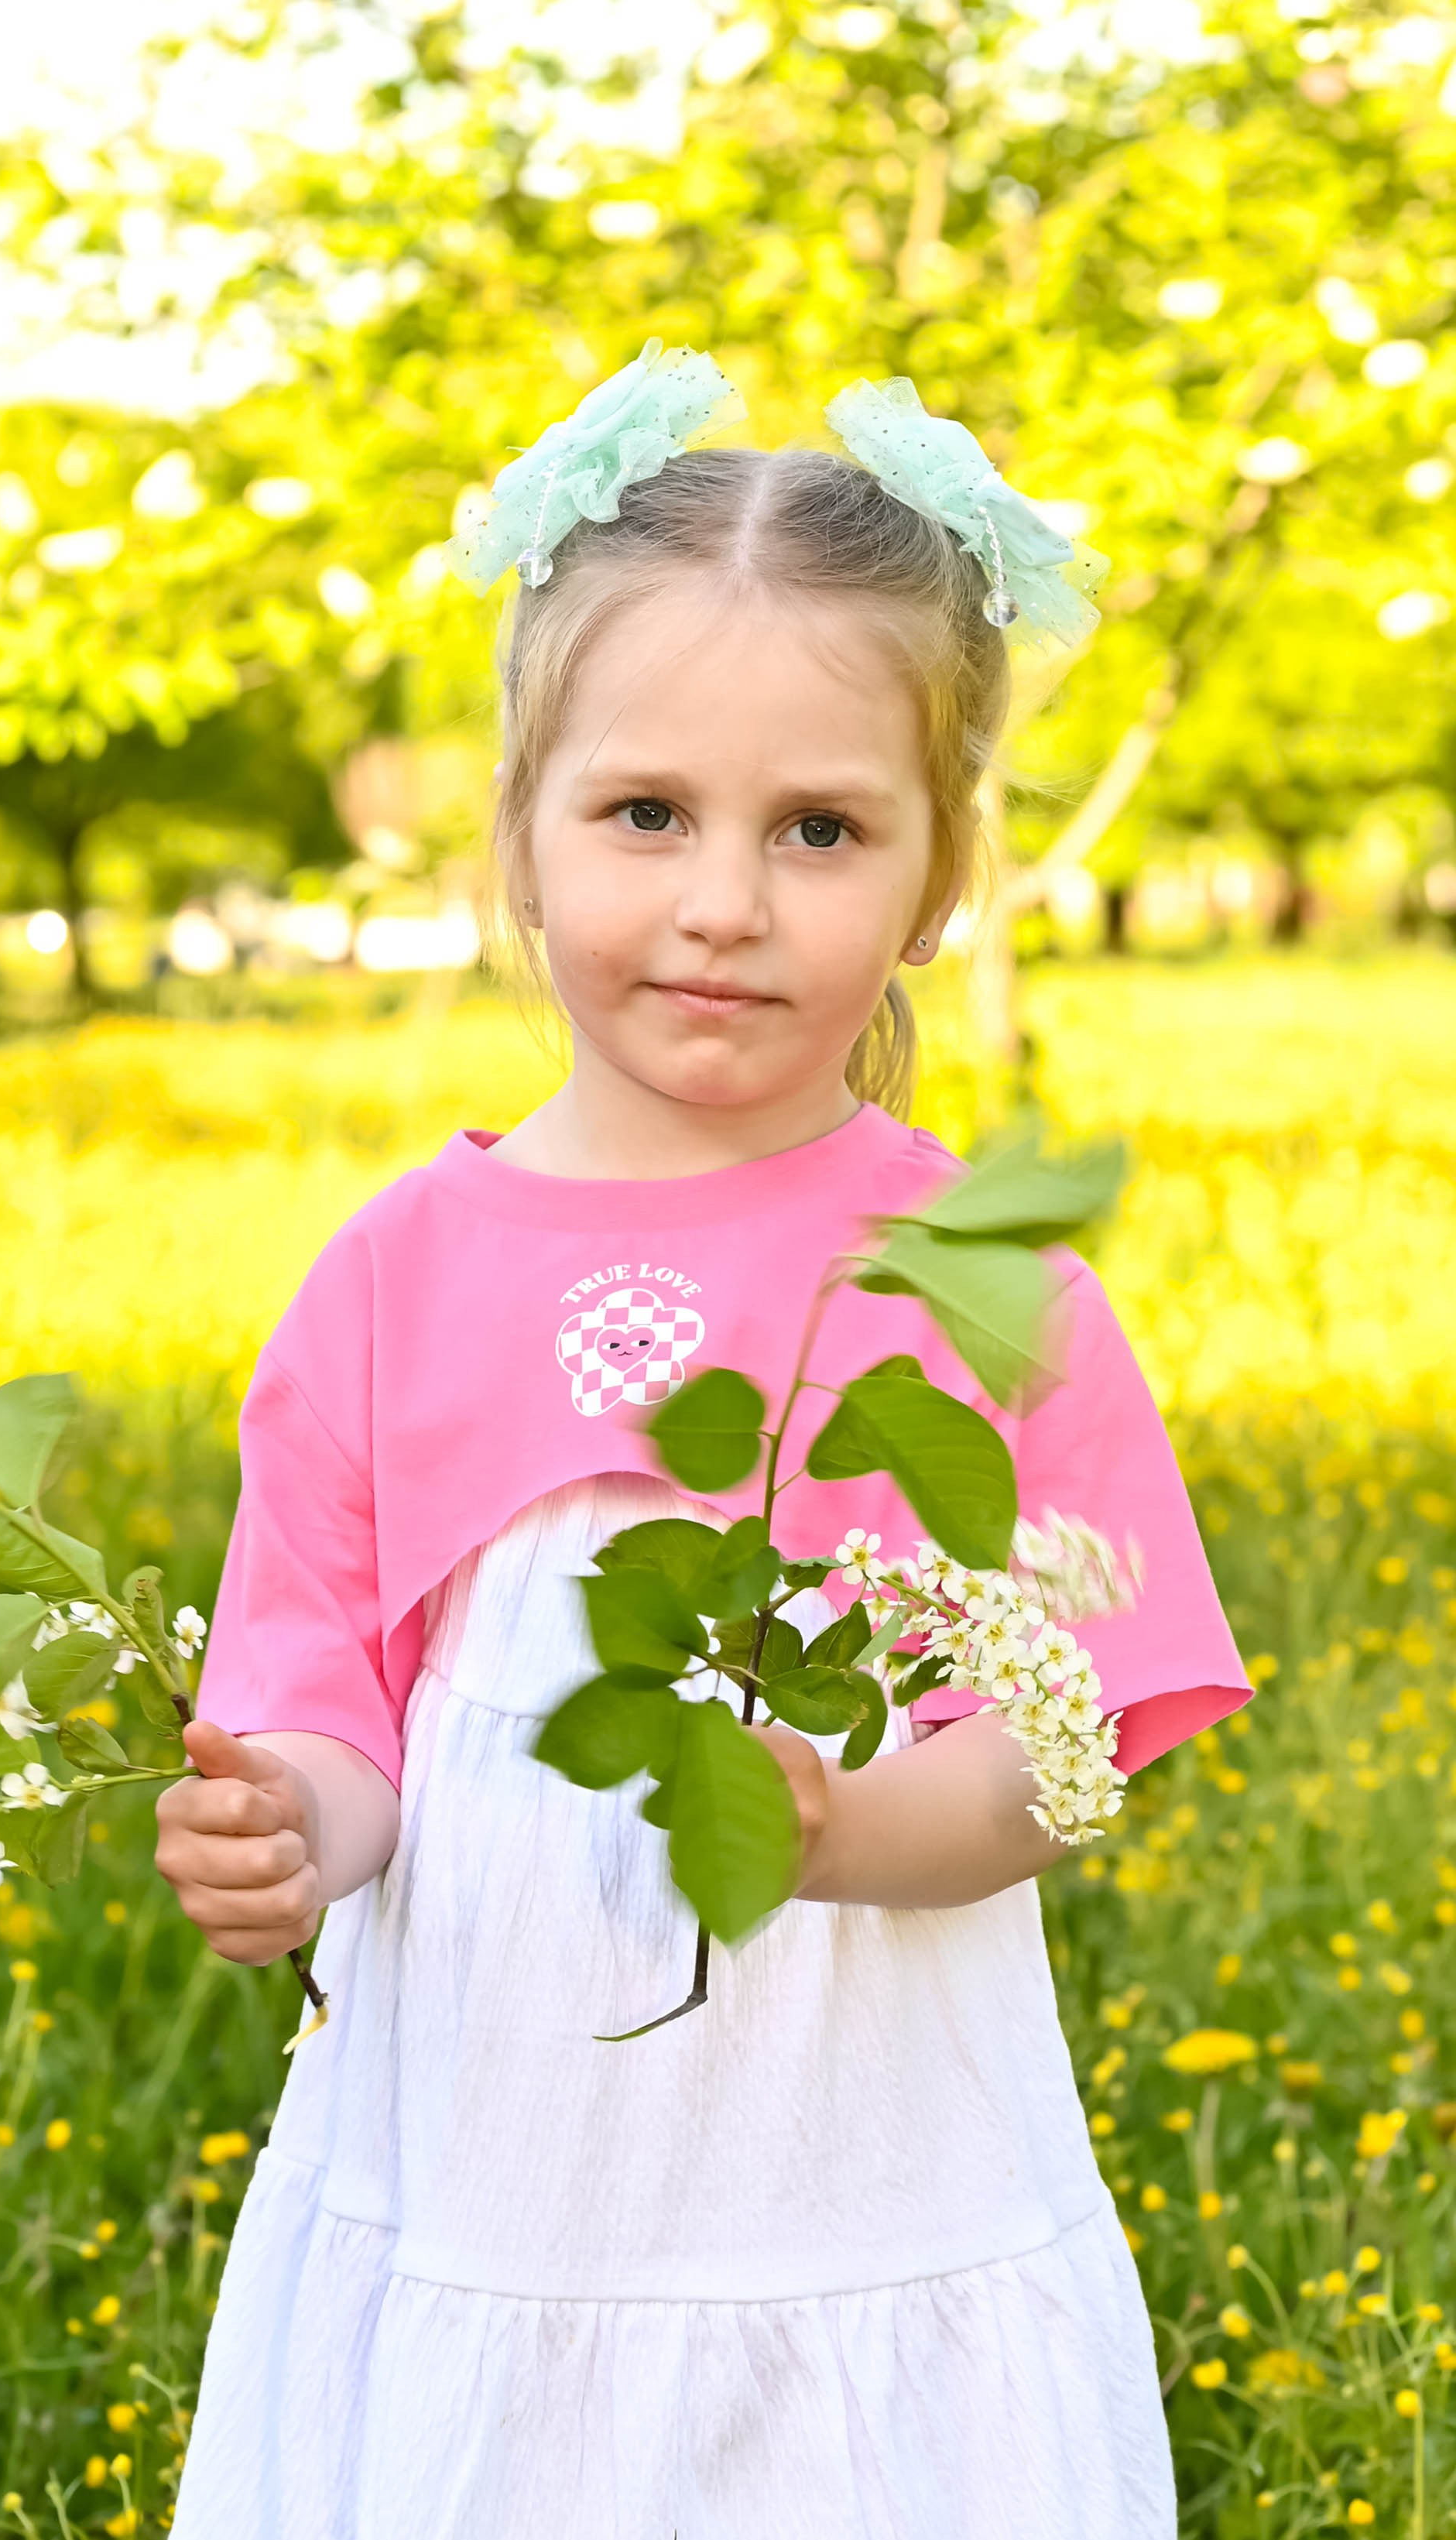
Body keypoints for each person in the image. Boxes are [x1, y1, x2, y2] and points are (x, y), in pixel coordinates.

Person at [156, 346, 1250, 2539]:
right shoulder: (396, 1273)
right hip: (498, 2158)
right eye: (646, 812)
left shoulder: (984, 1281)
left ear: (936, 875)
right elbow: (322, 1686)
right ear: (519, 835)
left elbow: (1078, 1730)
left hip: (855, 2140)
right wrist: (292, 1819)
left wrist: (858, 1830)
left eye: (821, 828)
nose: (725, 899)